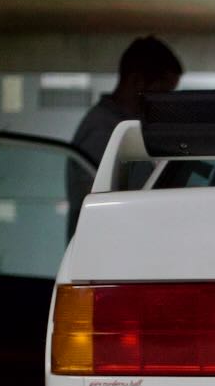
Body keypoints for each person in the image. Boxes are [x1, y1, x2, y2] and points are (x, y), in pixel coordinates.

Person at [65, 36, 183, 239]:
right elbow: (99, 204)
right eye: (162, 92)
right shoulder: (103, 132)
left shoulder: (127, 127)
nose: (164, 102)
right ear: (137, 81)